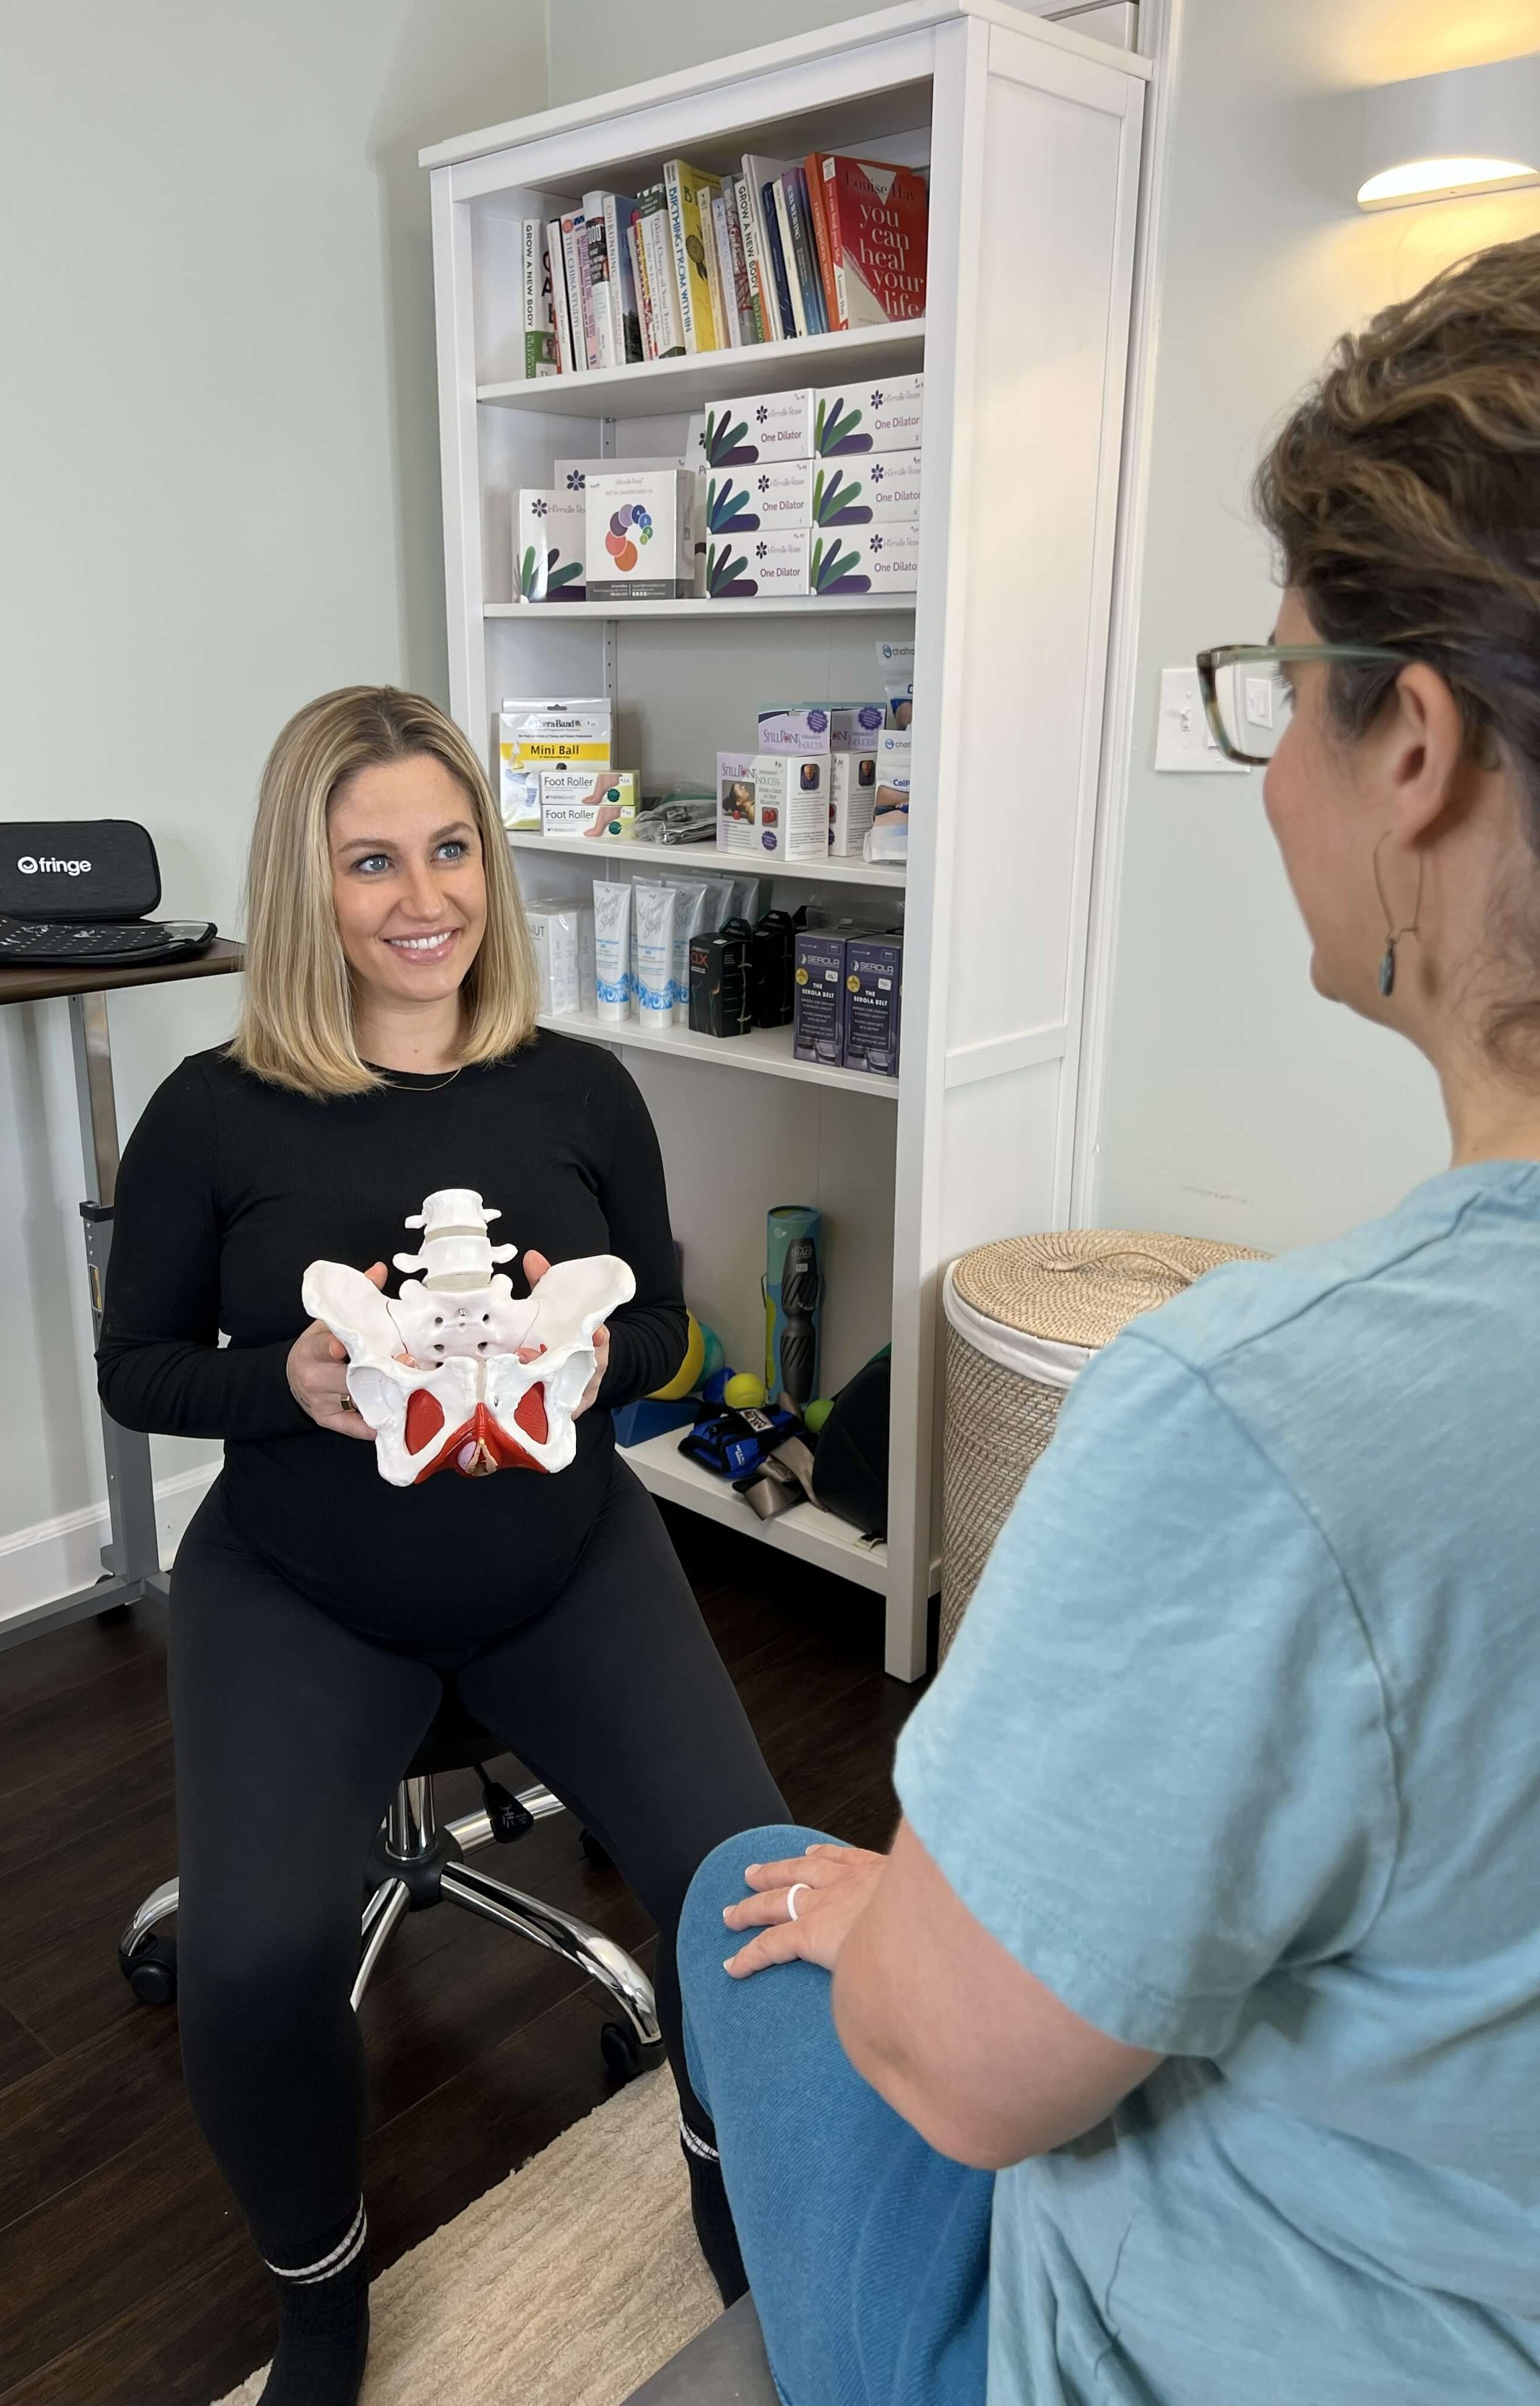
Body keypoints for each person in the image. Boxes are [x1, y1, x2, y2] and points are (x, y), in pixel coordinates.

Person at [678, 233, 1540, 2405]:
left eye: (1273, 690)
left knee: (754, 1888)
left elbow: (964, 2071)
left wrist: (894, 1918)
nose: (1263, 771)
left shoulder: (1269, 1419)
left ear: (1410, 743)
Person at [97, 685, 785, 2405]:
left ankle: (731, 2172)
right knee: (252, 1960)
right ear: (303, 884)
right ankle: (319, 2286)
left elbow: (669, 1343)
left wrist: (579, 1340)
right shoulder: (211, 1112)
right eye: (371, 858)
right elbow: (137, 1369)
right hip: (304, 1589)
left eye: (453, 845)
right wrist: (295, 1378)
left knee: (751, 1896)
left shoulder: (581, 1092)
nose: (426, 896)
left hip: (561, 1562)